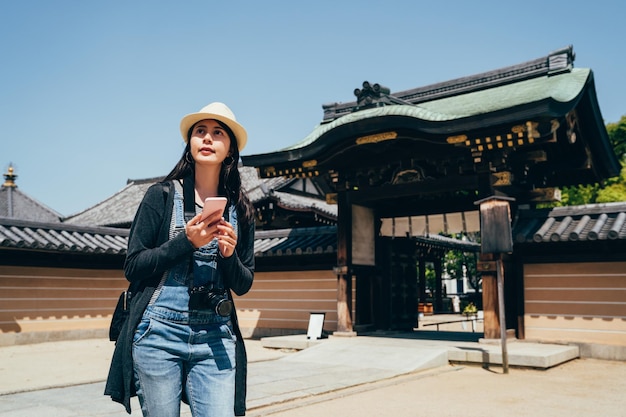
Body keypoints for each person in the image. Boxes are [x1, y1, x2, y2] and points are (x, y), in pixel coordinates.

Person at [105, 102, 255, 417]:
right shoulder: (160, 196)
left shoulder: (242, 209)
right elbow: (133, 266)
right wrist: (186, 242)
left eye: (218, 133)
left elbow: (243, 284)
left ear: (230, 150)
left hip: (216, 334)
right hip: (158, 331)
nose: (208, 138)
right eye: (200, 131)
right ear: (189, 144)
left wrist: (227, 256)